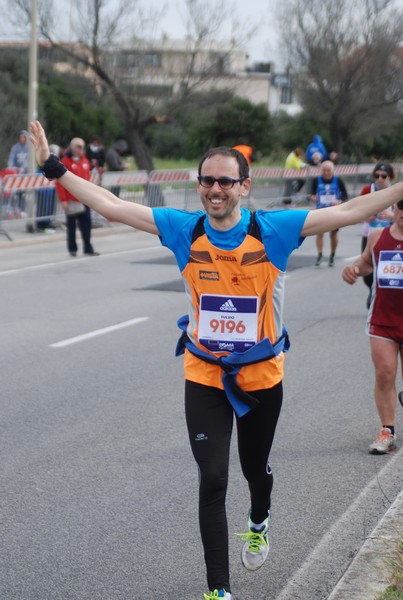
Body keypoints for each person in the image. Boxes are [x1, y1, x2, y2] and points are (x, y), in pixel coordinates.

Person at [29, 120, 403, 600]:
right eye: (207, 180)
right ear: (199, 184)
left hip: (261, 375)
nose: (215, 189)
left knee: (255, 470)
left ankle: (259, 518)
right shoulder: (184, 230)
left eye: (226, 181)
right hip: (204, 372)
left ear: (244, 187)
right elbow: (112, 205)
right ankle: (218, 590)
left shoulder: (272, 230)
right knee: (212, 475)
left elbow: (350, 209)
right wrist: (52, 167)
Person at [342, 200, 403, 455]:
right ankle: (387, 431)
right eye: (401, 206)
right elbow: (367, 263)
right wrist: (354, 269)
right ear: (394, 208)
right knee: (384, 373)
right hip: (382, 319)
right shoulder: (378, 236)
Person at [55, 137, 99, 257]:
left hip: (85, 198)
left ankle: (88, 248)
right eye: (78, 147)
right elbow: (59, 182)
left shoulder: (85, 160)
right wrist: (63, 200)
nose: (81, 149)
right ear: (72, 147)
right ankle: (72, 249)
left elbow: (87, 178)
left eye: (82, 147)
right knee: (71, 226)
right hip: (71, 199)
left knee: (87, 224)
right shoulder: (65, 161)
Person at [360, 162, 395, 307]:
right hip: (369, 234)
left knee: (386, 269)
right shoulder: (368, 189)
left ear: (390, 177)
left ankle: (382, 298)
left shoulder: (396, 192)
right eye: (377, 175)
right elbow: (357, 208)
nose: (380, 179)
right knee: (367, 267)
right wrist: (365, 216)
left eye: (383, 176)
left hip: (389, 235)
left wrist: (391, 215)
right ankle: (371, 290)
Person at [310, 160, 348, 266]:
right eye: (324, 170)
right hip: (320, 211)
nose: (326, 173)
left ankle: (332, 254)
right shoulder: (316, 180)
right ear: (321, 170)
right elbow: (311, 193)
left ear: (332, 171)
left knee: (333, 234)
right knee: (319, 233)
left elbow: (345, 195)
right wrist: (313, 197)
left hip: (334, 211)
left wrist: (339, 201)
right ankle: (320, 255)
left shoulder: (338, 180)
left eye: (329, 170)